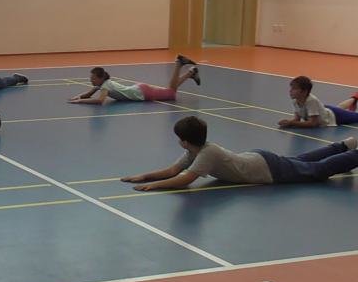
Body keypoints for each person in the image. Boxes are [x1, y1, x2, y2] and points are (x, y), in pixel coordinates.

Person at [121, 115, 358, 191]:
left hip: (266, 169)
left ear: (184, 141)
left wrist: (154, 186)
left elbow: (185, 180)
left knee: (316, 171)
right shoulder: (196, 150)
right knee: (300, 160)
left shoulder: (207, 153)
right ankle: (345, 145)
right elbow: (173, 170)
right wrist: (144, 176)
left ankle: (352, 153)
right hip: (258, 159)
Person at [69, 55, 200, 105]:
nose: (91, 80)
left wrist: (80, 101)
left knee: (171, 92)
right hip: (139, 89)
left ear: (101, 78)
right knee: (170, 90)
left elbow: (99, 101)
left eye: (93, 78)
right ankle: (191, 73)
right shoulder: (101, 84)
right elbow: (89, 94)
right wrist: (77, 97)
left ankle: (178, 64)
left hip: (143, 93)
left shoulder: (105, 86)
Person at [278, 76, 358, 128]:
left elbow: (313, 123)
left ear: (304, 92)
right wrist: (288, 122)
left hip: (335, 116)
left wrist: (291, 123)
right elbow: (297, 119)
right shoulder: (295, 100)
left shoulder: (311, 100)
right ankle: (355, 97)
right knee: (340, 107)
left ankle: (355, 97)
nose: (290, 91)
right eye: (291, 88)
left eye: (294, 89)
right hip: (324, 110)